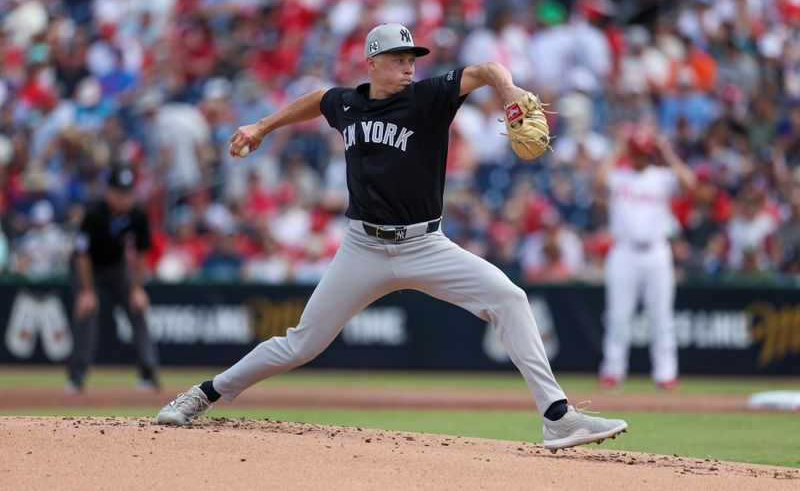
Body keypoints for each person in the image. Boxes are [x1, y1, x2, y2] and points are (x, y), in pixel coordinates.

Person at [156, 23, 628, 451]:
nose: (408, 66)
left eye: (411, 59)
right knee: (302, 343)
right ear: (372, 63)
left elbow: (485, 68)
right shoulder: (348, 103)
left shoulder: (428, 98)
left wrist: (508, 90)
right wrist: (261, 126)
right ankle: (203, 394)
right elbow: (318, 99)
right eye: (399, 58)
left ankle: (557, 417)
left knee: (509, 297)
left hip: (426, 245)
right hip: (362, 247)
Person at [595, 127, 697, 390]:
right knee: (618, 315)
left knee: (661, 316)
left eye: (644, 153)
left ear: (651, 154)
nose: (640, 158)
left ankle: (666, 374)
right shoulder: (619, 176)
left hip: (656, 251)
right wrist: (618, 150)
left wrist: (669, 154)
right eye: (636, 153)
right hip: (624, 251)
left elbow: (690, 185)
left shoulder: (662, 177)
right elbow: (597, 182)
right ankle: (613, 370)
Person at [67, 164, 160, 393]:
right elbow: (81, 254)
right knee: (86, 311)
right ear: (108, 192)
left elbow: (141, 252)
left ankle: (148, 373)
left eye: (128, 193)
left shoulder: (137, 215)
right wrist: (87, 291)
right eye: (120, 193)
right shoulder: (94, 212)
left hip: (117, 268)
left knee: (137, 309)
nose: (125, 198)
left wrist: (137, 288)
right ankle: (77, 376)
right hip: (88, 268)